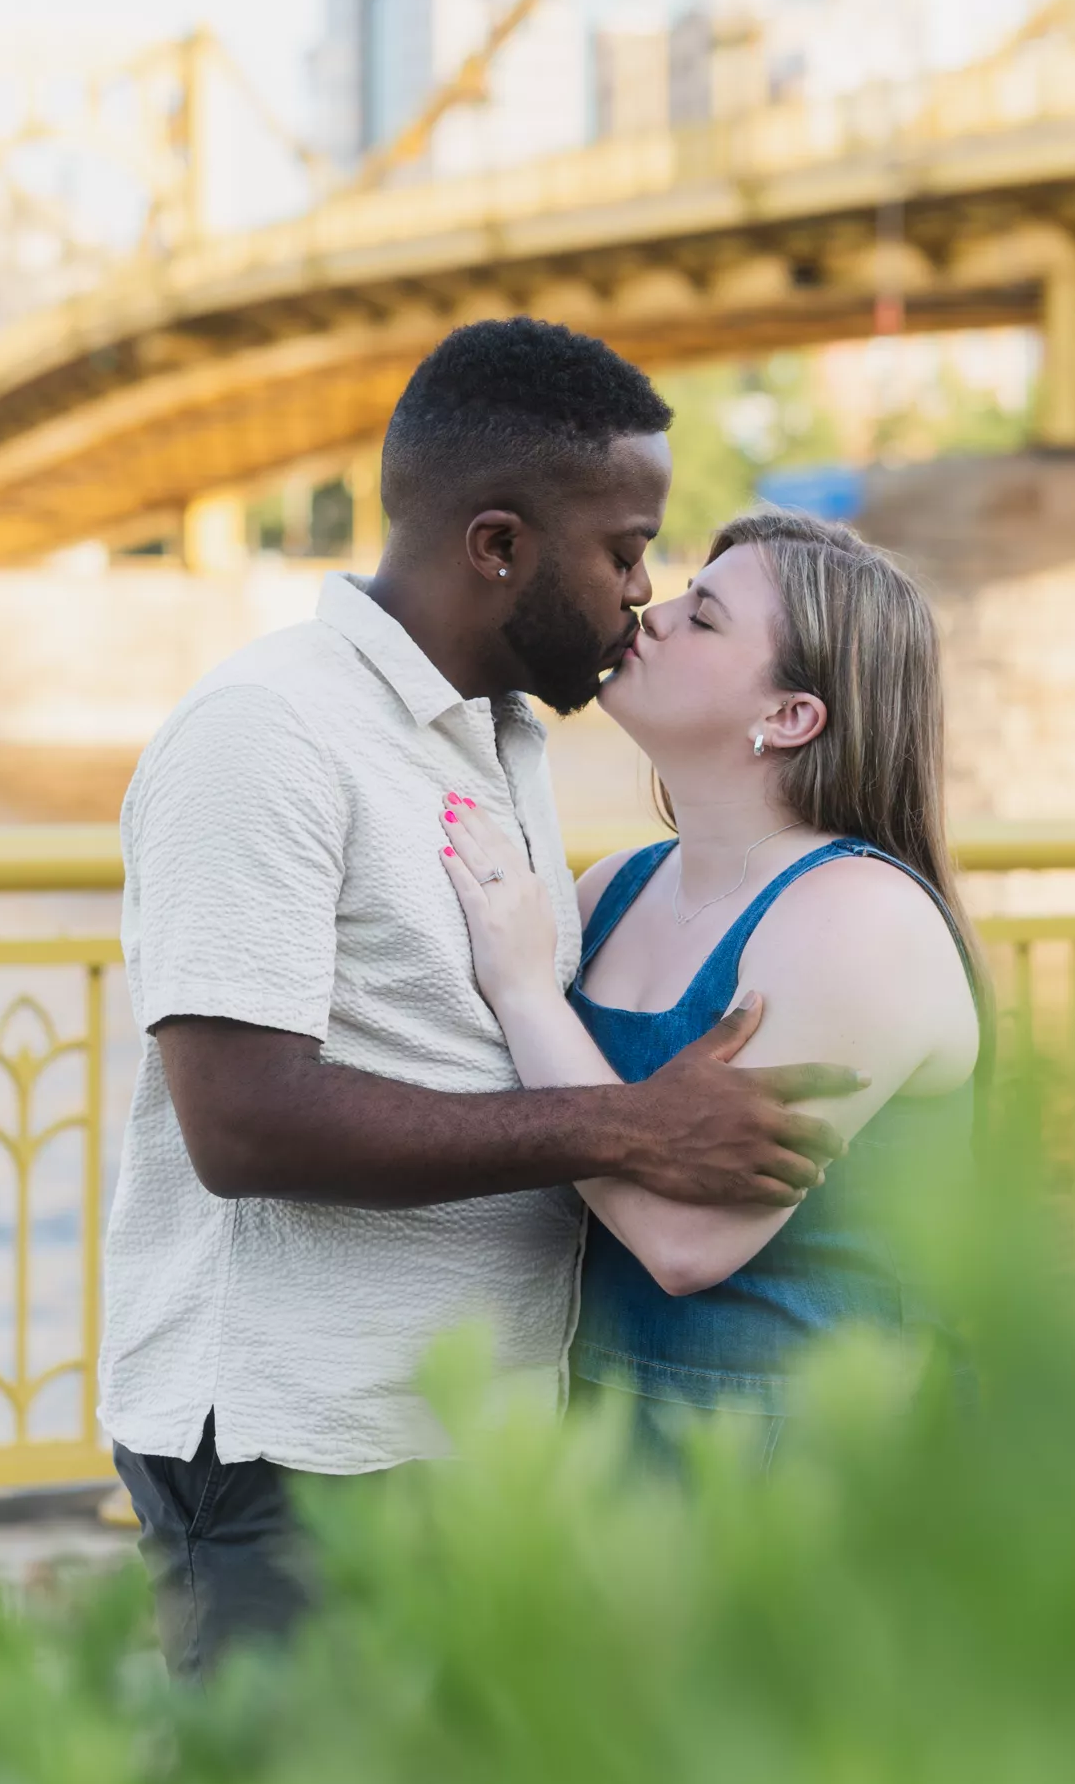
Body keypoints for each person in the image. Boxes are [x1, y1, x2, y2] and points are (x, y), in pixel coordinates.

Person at [100, 321, 863, 1678]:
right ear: (499, 546)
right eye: (626, 551)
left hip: (466, 1447)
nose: (642, 591)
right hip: (303, 1456)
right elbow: (244, 1124)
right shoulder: (266, 731)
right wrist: (625, 1125)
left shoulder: (499, 730)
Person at [438, 509, 983, 1468]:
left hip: (812, 1468)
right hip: (601, 1439)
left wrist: (527, 995)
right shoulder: (614, 888)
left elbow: (689, 1245)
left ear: (788, 717)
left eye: (705, 616)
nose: (650, 610)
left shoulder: (857, 918)